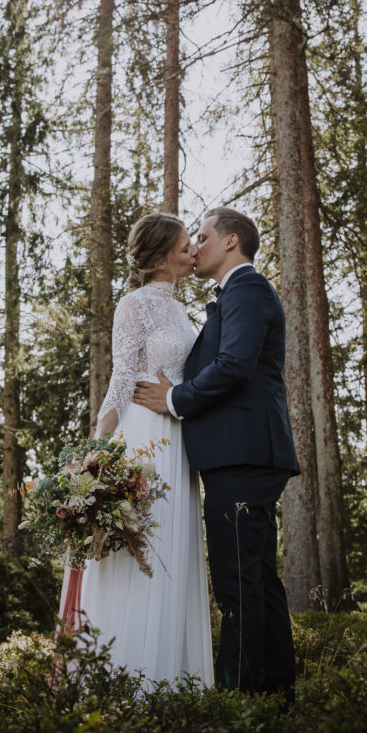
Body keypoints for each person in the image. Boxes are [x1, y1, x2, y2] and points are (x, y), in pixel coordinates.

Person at [134, 207, 300, 699]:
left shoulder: (247, 287)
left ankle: (237, 699)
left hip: (242, 456)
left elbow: (234, 365)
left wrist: (172, 400)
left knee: (237, 581)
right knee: (256, 577)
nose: (194, 246)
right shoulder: (235, 295)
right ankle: (275, 693)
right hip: (243, 455)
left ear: (231, 241)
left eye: (202, 236)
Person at [77, 212, 214, 687]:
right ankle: (122, 676)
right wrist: (95, 455)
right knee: (142, 551)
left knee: (174, 553)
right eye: (184, 248)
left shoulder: (180, 309)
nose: (193, 252)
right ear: (158, 259)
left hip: (178, 438)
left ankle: (173, 682)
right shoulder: (133, 305)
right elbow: (120, 381)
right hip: (143, 438)